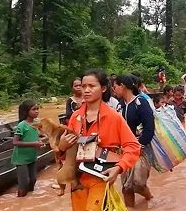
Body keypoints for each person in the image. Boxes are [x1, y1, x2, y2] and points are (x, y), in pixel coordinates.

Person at [59, 69, 141, 211]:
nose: (86, 90)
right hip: (77, 179)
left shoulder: (113, 117)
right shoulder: (75, 117)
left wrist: (118, 167)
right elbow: (66, 153)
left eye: (92, 86)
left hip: (100, 176)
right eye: (84, 86)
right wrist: (61, 147)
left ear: (103, 88)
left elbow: (133, 146)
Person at [113, 74, 155, 207]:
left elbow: (149, 127)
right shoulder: (120, 106)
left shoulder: (140, 103)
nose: (113, 90)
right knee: (126, 187)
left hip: (140, 149)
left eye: (115, 87)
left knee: (138, 183)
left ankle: (150, 199)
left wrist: (140, 145)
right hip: (124, 150)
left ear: (122, 86)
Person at [12, 100, 46, 197]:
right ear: (26, 111)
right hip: (21, 159)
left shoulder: (37, 123)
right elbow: (15, 142)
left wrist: (40, 142)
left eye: (37, 109)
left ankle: (29, 201)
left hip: (32, 156)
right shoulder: (22, 125)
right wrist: (34, 143)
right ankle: (20, 200)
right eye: (33, 109)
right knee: (24, 183)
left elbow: (36, 136)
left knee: (33, 180)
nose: (36, 111)